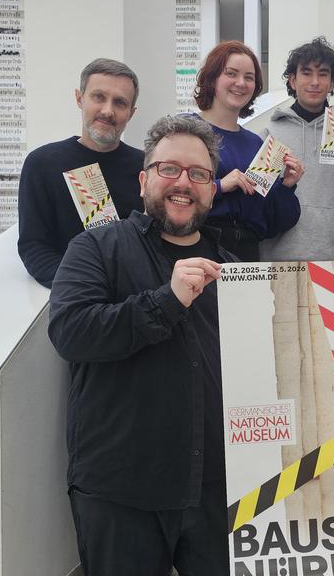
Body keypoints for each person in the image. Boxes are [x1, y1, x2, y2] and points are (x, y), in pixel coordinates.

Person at [48, 114, 234, 576]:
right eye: (169, 169)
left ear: (211, 189)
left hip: (215, 490)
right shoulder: (94, 247)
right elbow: (71, 332)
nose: (183, 183)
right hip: (120, 492)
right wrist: (167, 301)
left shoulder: (231, 268)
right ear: (143, 178)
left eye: (198, 174)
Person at [18, 58, 144, 287]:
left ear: (131, 113)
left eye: (120, 103)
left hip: (138, 301)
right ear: (79, 98)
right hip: (75, 302)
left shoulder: (146, 167)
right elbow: (34, 247)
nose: (108, 111)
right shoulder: (42, 164)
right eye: (98, 97)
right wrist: (87, 286)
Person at [259, 37, 334, 261]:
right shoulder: (271, 132)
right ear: (292, 80)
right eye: (306, 72)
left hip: (328, 257)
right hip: (276, 258)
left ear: (332, 82)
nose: (315, 81)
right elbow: (258, 203)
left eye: (323, 73)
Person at [194, 41, 303, 261]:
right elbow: (169, 192)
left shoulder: (257, 145)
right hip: (197, 246)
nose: (240, 83)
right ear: (212, 77)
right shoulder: (186, 129)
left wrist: (286, 187)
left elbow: (275, 224)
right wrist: (220, 186)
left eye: (249, 77)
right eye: (231, 73)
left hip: (247, 254)